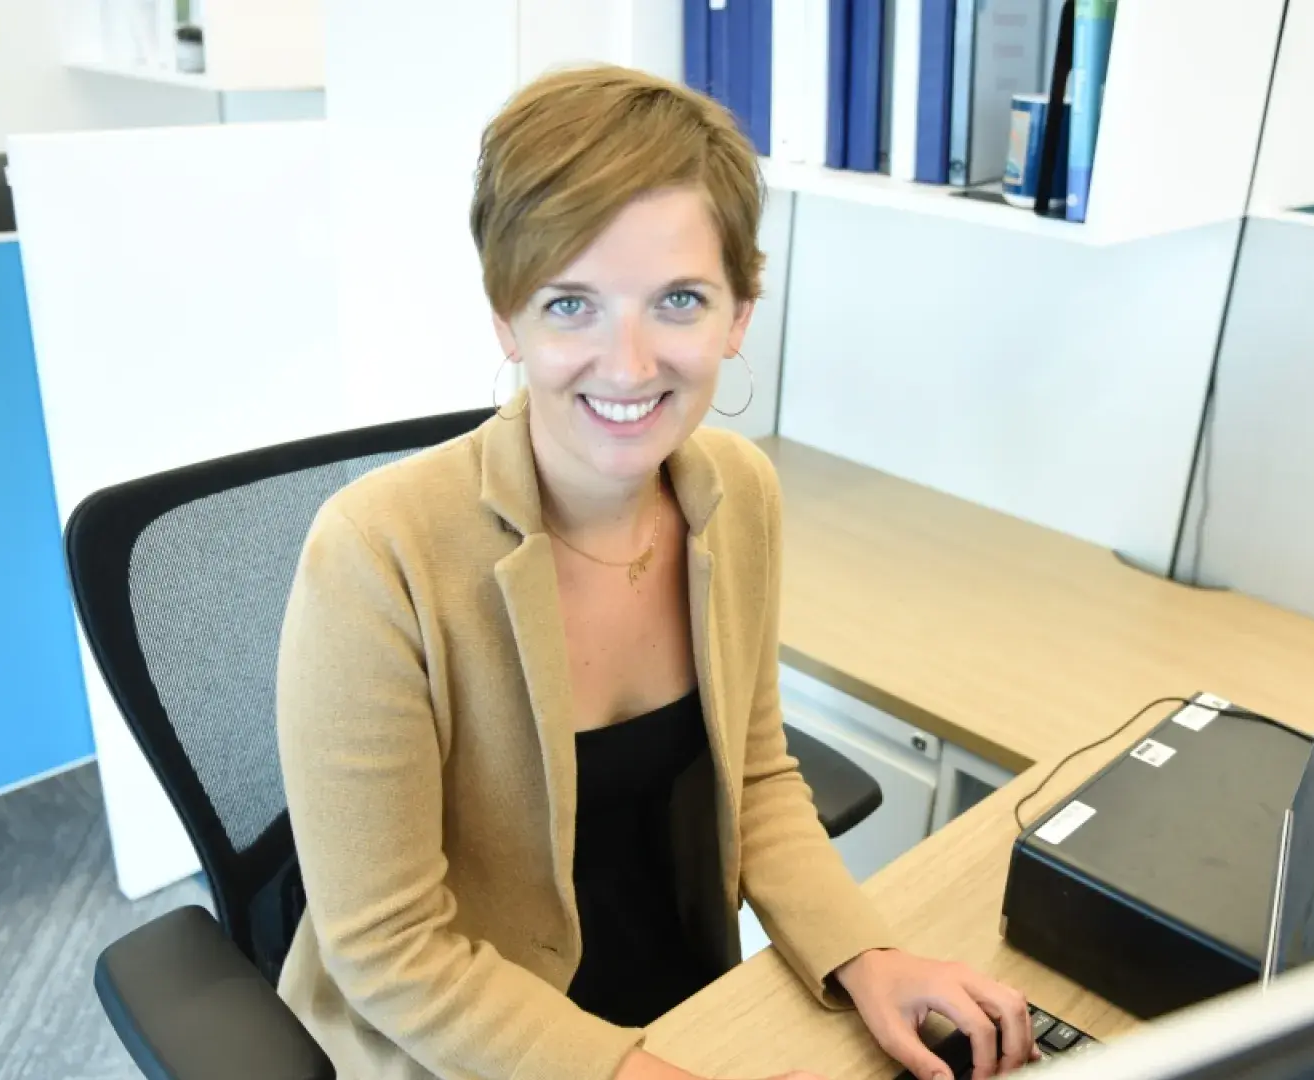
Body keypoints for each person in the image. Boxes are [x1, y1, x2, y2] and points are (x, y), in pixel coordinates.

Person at [274, 64, 1035, 1080]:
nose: (629, 366)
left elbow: (755, 773)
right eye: (571, 303)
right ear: (507, 320)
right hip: (465, 1041)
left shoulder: (738, 493)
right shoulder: (376, 554)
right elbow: (388, 949)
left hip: (686, 1004)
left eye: (678, 299)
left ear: (739, 312)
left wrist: (867, 953)